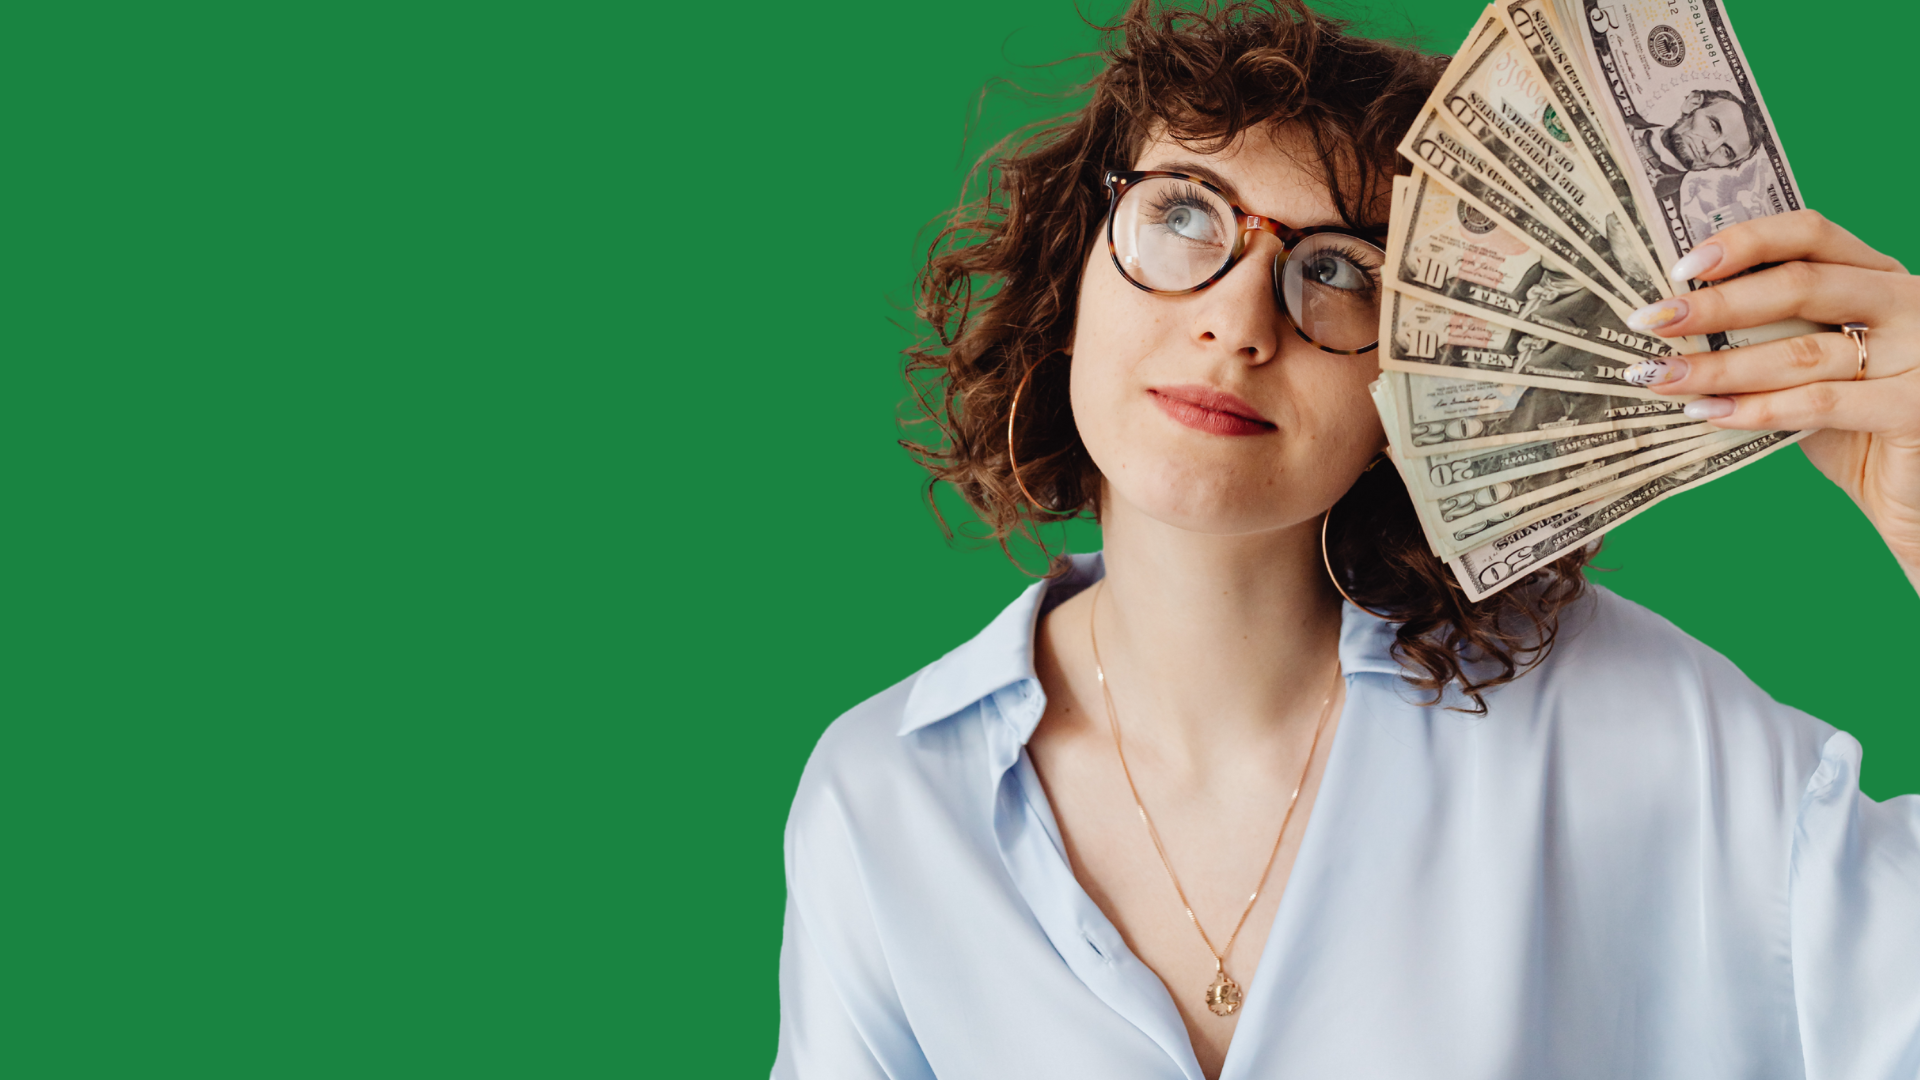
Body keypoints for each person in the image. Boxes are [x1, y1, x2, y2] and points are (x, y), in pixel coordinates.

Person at [773, 3, 1920, 1078]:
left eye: (1336, 273)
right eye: (1181, 215)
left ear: (1426, 374)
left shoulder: (1640, 727)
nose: (1236, 322)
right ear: (1071, 282)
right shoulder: (884, 799)